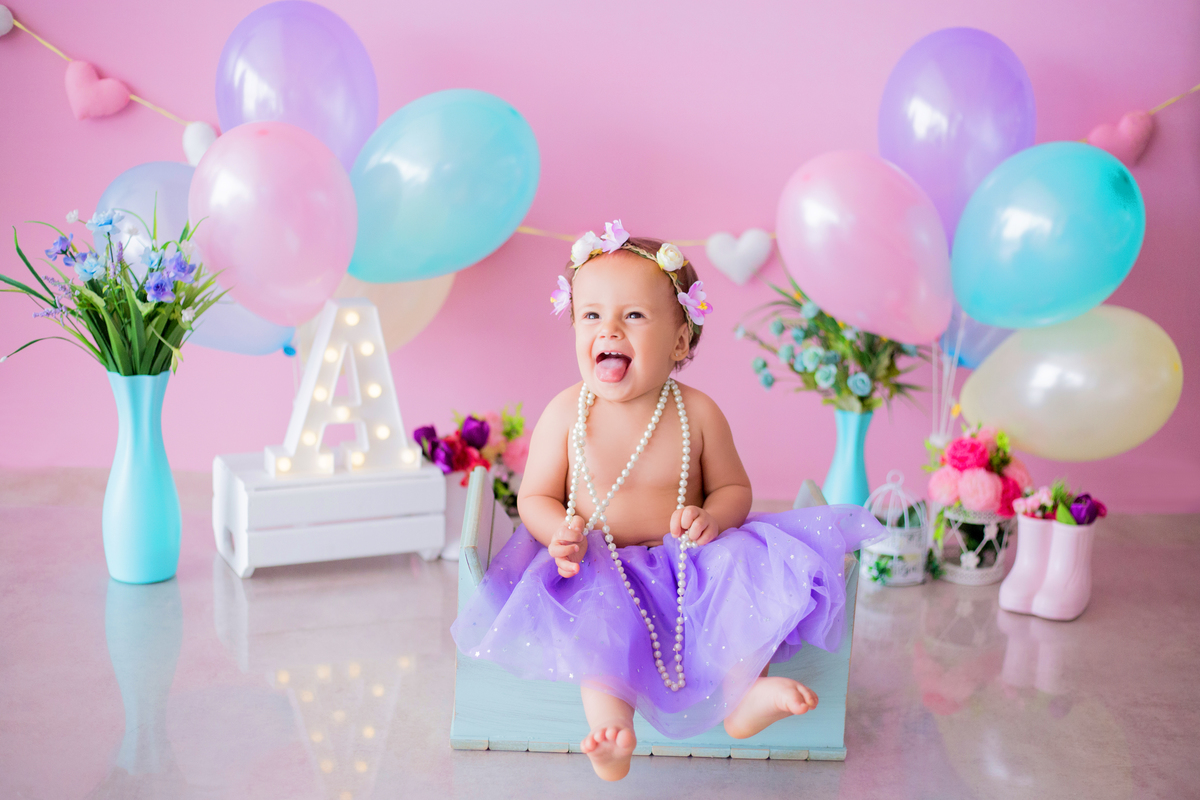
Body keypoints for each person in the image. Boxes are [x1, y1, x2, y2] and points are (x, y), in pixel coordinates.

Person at [451, 221, 883, 780]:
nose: (609, 328)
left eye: (633, 315)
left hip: (687, 558)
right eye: (591, 315)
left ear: (681, 340)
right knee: (598, 622)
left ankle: (746, 693)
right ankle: (612, 730)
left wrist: (711, 517)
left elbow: (734, 489)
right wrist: (559, 530)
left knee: (738, 572)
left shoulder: (696, 412)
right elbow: (534, 495)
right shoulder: (566, 412)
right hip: (595, 561)